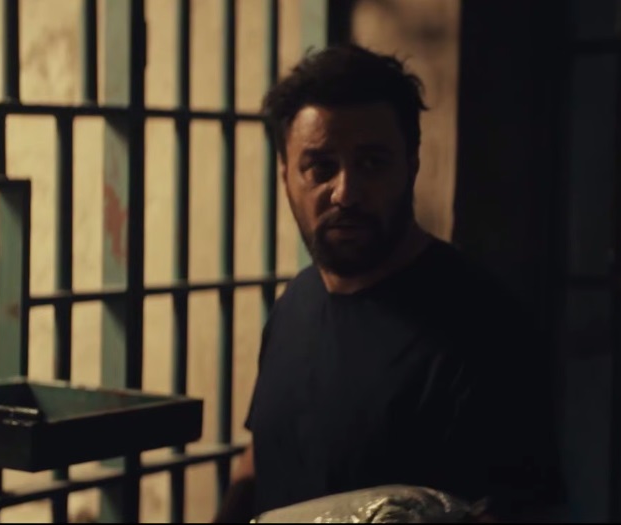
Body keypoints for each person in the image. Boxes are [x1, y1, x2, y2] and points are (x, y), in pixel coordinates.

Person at [213, 44, 564, 523]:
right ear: (286, 176)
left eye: (372, 163)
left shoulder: (488, 328)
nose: (346, 192)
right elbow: (262, 459)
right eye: (320, 167)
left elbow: (522, 511)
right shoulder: (294, 305)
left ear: (411, 165)